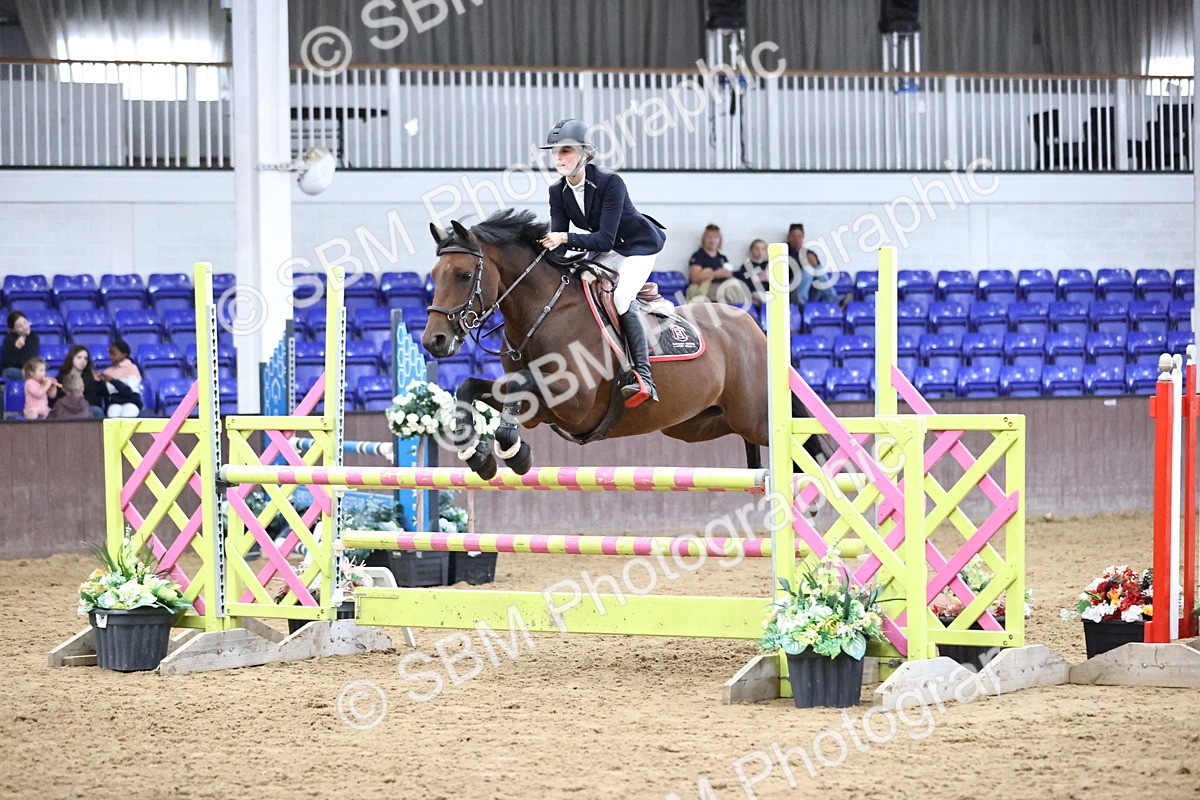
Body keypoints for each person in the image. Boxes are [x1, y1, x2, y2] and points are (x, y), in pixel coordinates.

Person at [536, 118, 667, 408]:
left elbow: (604, 239)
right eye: (554, 152)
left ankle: (644, 376)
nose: (558, 158)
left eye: (566, 150)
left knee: (620, 297)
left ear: (585, 153)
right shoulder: (557, 192)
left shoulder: (610, 183)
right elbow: (561, 239)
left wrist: (564, 238)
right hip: (606, 248)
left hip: (637, 247)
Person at [684, 225, 752, 306]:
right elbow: (695, 278)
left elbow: (730, 273)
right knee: (732, 288)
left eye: (716, 237)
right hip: (705, 289)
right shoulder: (698, 256)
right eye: (709, 237)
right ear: (703, 239)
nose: (712, 240)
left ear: (719, 240)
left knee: (737, 284)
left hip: (723, 287)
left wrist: (727, 274)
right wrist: (716, 273)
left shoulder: (722, 258)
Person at [786, 223, 839, 306]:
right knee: (809, 269)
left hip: (810, 292)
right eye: (793, 236)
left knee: (818, 268)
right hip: (790, 291)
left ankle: (834, 303)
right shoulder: (783, 252)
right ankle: (800, 304)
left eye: (799, 236)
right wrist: (803, 264)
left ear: (803, 238)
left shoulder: (809, 253)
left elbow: (820, 273)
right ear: (788, 237)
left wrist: (814, 262)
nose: (796, 239)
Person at [56, 344, 106, 419]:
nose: (83, 361)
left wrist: (99, 382)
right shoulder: (62, 376)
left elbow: (96, 397)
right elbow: (58, 396)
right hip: (66, 407)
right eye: (79, 357)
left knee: (96, 411)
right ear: (71, 358)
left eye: (85, 358)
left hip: (86, 407)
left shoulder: (91, 376)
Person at [101, 339, 143, 418]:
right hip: (114, 403)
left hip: (131, 401)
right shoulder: (107, 371)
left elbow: (128, 392)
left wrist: (112, 381)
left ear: (124, 354)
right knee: (113, 418)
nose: (110, 357)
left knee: (127, 418)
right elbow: (106, 392)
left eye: (114, 354)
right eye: (110, 354)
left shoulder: (132, 368)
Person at [2, 311, 40, 383]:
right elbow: (8, 364)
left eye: (25, 323)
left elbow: (32, 358)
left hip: (29, 371)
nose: (24, 327)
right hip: (16, 371)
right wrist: (17, 347)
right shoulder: (9, 340)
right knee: (10, 372)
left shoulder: (34, 337)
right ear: (13, 330)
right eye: (19, 326)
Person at [733, 238, 770, 304]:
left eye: (762, 249)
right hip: (754, 293)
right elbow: (743, 284)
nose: (760, 251)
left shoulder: (770, 264)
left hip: (769, 292)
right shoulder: (746, 266)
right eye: (756, 249)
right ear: (751, 250)